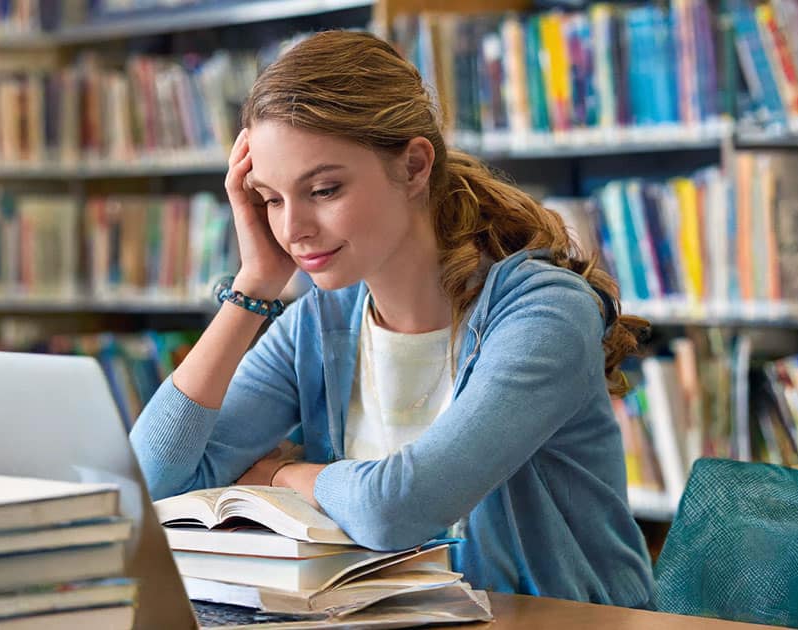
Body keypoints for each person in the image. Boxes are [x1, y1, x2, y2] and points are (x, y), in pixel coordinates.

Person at [129, 30, 654, 608]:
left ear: (413, 166)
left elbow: (397, 509)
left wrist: (284, 476)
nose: (292, 229)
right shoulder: (318, 324)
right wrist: (253, 284)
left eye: (323, 189)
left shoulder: (542, 314)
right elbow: (153, 483)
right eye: (271, 199)